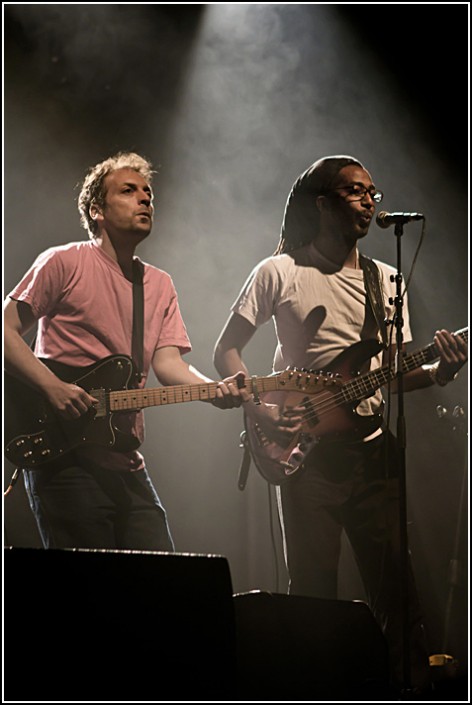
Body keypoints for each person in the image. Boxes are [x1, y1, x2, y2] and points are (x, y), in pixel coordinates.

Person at [213, 155, 467, 694]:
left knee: (399, 600)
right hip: (308, 459)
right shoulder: (279, 271)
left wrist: (441, 371)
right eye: (355, 191)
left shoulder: (386, 279)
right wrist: (260, 409)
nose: (370, 201)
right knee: (312, 597)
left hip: (374, 453)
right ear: (322, 204)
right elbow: (227, 351)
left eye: (373, 191)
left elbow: (391, 377)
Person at [4, 150, 245, 553]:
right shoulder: (64, 262)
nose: (145, 198)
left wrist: (212, 389)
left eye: (148, 192)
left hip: (125, 461)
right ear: (97, 209)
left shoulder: (160, 284)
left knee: (161, 587)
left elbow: (168, 365)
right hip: (66, 459)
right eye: (129, 190)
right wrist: (54, 389)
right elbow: (6, 331)